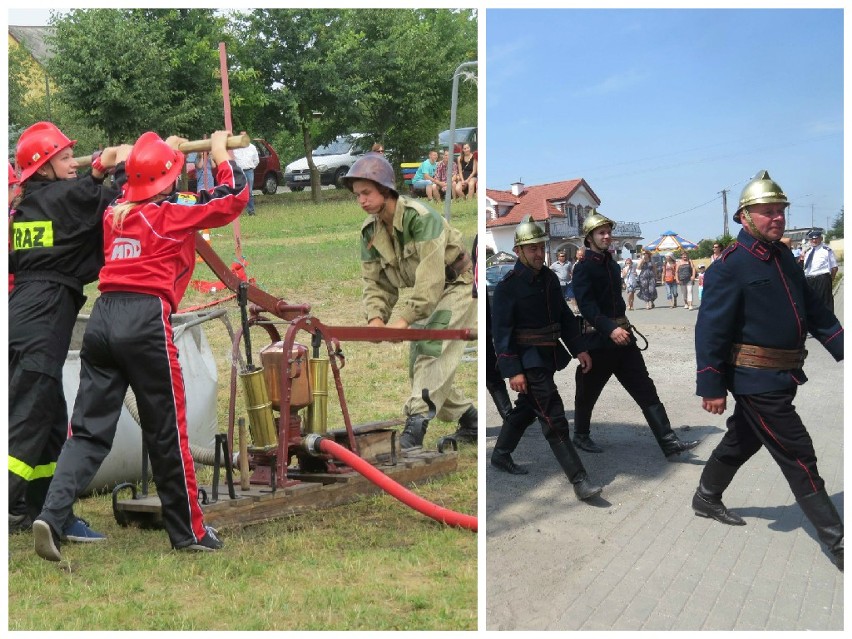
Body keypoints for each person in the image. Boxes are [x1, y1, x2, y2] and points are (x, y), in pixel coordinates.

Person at [32, 130, 248, 562]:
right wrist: (222, 152)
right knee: (167, 431)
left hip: (104, 318)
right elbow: (233, 197)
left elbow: (142, 179)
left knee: (88, 432)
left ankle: (52, 516)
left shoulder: (116, 208)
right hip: (145, 320)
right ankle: (188, 532)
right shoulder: (169, 211)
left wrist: (162, 153)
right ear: (167, 180)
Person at [692, 169, 844, 571]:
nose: (777, 218)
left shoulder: (783, 259)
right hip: (753, 379)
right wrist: (711, 385)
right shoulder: (729, 265)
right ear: (745, 216)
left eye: (780, 211)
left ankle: (706, 496)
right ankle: (839, 541)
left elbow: (815, 313)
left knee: (745, 438)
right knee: (798, 454)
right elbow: (710, 329)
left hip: (783, 375)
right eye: (767, 212)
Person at [9, 122, 130, 541]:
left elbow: (83, 210)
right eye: (63, 158)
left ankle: (50, 513)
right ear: (43, 169)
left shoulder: (32, 207)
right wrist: (110, 171)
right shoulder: (56, 198)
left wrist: (103, 174)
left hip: (24, 315)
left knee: (49, 421)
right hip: (42, 319)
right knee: (25, 423)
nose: (71, 163)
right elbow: (101, 201)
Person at [341, 153, 477, 450]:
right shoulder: (370, 232)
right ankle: (471, 419)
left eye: (366, 193)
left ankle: (413, 431)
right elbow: (375, 281)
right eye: (357, 195)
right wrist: (376, 319)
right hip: (431, 293)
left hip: (457, 285)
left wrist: (402, 321)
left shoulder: (421, 218)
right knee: (420, 364)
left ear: (386, 190)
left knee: (430, 351)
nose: (361, 201)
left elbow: (430, 279)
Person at [571, 211, 700, 458]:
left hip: (624, 338)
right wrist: (610, 329)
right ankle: (581, 435)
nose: (607, 236)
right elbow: (587, 308)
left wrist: (621, 328)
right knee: (587, 392)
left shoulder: (609, 262)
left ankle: (669, 441)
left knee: (645, 388)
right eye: (602, 233)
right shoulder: (583, 267)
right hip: (599, 341)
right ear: (589, 238)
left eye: (609, 232)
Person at [490, 215, 601, 498]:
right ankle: (579, 480)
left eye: (540, 247)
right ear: (519, 251)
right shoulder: (507, 287)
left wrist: (579, 349)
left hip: (547, 356)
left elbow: (564, 318)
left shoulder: (550, 278)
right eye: (532, 248)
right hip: (527, 361)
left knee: (528, 407)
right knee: (553, 416)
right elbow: (501, 334)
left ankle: (500, 454)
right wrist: (513, 370)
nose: (539, 253)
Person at [800, 229, 838, 313]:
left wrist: (829, 280)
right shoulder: (808, 251)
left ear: (820, 238)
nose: (814, 240)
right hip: (809, 280)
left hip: (822, 278)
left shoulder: (827, 250)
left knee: (825, 303)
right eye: (811, 239)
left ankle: (829, 322)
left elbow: (834, 267)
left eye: (816, 238)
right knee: (811, 303)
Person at [232, 132, 259, 215]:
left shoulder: (252, 147)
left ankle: (251, 211)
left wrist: (251, 167)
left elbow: (256, 160)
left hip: (249, 171)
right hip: (239, 171)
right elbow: (232, 159)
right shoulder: (235, 148)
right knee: (238, 190)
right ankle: (236, 212)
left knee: (249, 191)